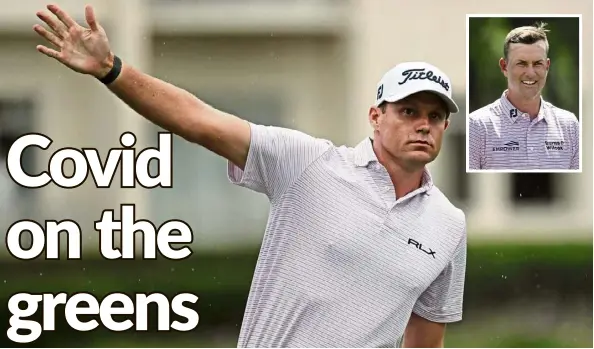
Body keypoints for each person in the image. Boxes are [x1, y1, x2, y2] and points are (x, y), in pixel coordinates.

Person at [33, 4, 467, 347]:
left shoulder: (449, 226)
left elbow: (427, 340)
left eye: (435, 115)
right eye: (408, 111)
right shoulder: (309, 164)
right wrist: (112, 69)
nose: (423, 124)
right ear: (376, 116)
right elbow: (197, 120)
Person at [468, 22, 580, 171]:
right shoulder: (477, 126)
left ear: (547, 66)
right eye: (521, 63)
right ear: (504, 67)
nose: (530, 73)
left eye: (537, 64)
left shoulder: (569, 125)